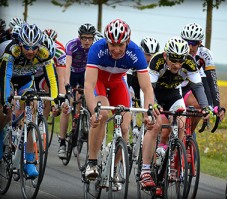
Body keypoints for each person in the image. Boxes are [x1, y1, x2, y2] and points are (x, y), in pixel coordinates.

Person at [83, 19, 161, 190]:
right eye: (112, 44)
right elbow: (88, 85)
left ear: (128, 40)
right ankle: (92, 161)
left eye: (120, 45)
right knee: (102, 114)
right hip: (99, 83)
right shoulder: (97, 49)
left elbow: (147, 88)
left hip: (119, 82)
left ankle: (115, 167)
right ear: (106, 41)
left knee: (125, 127)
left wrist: (148, 114)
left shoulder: (135, 52)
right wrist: (93, 112)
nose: (116, 49)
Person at [141, 36, 209, 189]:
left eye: (181, 61)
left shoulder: (190, 63)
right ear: (166, 56)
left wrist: (205, 107)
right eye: (174, 60)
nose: (177, 65)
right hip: (154, 92)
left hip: (173, 93)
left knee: (181, 124)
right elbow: (148, 88)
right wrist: (153, 107)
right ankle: (145, 170)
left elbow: (198, 86)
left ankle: (172, 162)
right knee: (155, 124)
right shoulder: (157, 61)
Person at [0, 23, 58, 176]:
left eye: (34, 47)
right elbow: (5, 76)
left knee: (31, 113)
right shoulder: (12, 50)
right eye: (27, 47)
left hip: (26, 80)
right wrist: (6, 101)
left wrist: (53, 101)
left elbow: (52, 78)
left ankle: (29, 161)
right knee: (4, 112)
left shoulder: (44, 53)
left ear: (40, 45)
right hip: (8, 79)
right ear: (20, 44)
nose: (31, 51)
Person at [57, 23, 96, 159]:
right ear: (79, 37)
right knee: (67, 107)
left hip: (85, 74)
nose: (87, 41)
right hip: (72, 75)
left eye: (90, 38)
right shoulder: (72, 45)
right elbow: (67, 66)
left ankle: (78, 123)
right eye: (84, 38)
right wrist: (67, 85)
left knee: (82, 100)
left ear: (93, 38)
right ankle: (62, 142)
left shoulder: (94, 47)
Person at [180, 22, 225, 133]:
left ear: (200, 43)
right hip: (172, 85)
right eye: (187, 42)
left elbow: (211, 80)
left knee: (198, 106)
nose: (190, 47)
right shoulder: (177, 49)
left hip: (188, 86)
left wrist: (215, 105)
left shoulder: (204, 54)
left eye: (194, 43)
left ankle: (188, 134)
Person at [127, 36, 160, 107]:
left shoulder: (156, 66)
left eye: (154, 55)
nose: (151, 58)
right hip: (133, 83)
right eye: (148, 55)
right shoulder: (134, 59)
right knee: (129, 100)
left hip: (144, 85)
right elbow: (127, 82)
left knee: (146, 105)